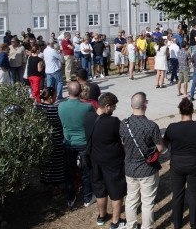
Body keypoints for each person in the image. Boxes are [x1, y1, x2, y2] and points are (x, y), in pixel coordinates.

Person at [120, 92, 164, 229]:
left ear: (131, 105)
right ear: (145, 105)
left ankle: (131, 225)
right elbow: (160, 148)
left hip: (130, 168)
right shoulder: (151, 126)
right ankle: (147, 227)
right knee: (147, 201)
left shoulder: (123, 124)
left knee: (131, 199)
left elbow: (122, 142)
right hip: (147, 169)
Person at [85, 92, 127, 229]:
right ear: (107, 106)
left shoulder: (88, 118)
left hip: (94, 161)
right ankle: (115, 222)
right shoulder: (113, 122)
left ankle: (102, 216)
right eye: (114, 107)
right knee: (116, 191)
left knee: (99, 189)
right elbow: (123, 137)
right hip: (112, 162)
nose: (114, 109)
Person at [163, 98, 196, 229]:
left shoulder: (172, 127)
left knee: (177, 193)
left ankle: (177, 223)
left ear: (179, 111)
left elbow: (166, 143)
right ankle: (194, 223)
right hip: (194, 161)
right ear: (192, 110)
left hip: (178, 162)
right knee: (194, 192)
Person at [58, 81, 95, 208]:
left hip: (68, 142)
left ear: (68, 92)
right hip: (83, 142)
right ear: (80, 92)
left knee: (69, 171)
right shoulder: (87, 107)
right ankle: (87, 197)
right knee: (85, 171)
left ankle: (70, 198)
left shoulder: (61, 107)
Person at [38, 87, 65, 192]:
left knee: (45, 162)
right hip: (56, 138)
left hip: (43, 139)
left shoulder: (39, 108)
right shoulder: (55, 109)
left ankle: (46, 183)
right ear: (50, 98)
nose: (55, 98)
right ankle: (56, 185)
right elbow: (60, 122)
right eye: (54, 96)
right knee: (57, 163)